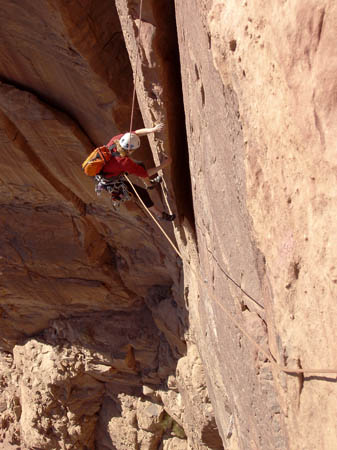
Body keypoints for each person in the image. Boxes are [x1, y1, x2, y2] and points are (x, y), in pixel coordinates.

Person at [98, 123, 175, 221]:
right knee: (141, 192)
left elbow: (136, 133)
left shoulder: (117, 140)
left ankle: (149, 184)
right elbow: (145, 173)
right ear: (131, 150)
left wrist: (153, 129)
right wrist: (163, 165)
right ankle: (160, 214)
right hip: (111, 182)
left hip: (109, 171)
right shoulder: (124, 162)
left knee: (140, 165)